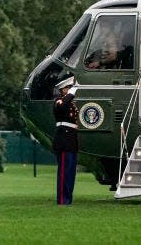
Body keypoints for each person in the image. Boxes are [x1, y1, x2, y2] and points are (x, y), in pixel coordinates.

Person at [52, 75, 79, 205]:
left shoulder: (70, 103)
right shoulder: (59, 101)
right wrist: (70, 95)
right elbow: (62, 108)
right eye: (68, 88)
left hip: (71, 139)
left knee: (70, 172)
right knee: (64, 172)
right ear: (63, 89)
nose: (70, 90)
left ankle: (68, 198)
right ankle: (63, 199)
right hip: (63, 139)